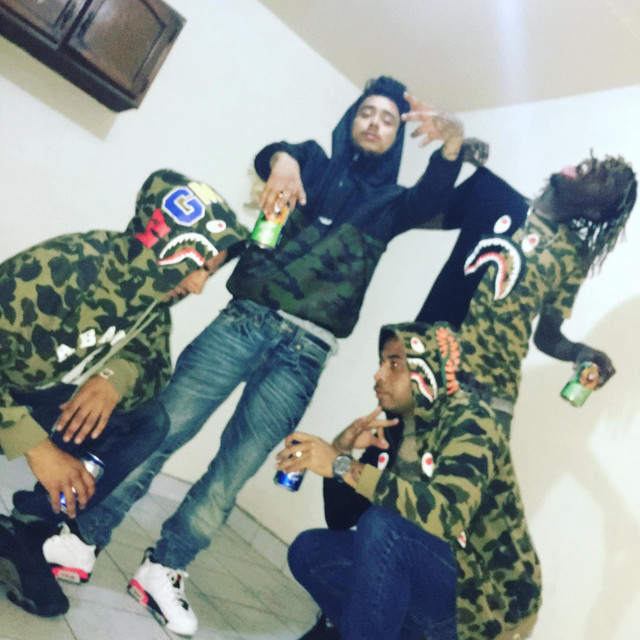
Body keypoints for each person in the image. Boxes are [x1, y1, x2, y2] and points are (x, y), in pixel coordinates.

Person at [40, 76, 477, 636]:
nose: (375, 123)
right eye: (367, 112)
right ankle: (84, 537)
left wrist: (452, 136)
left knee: (234, 469)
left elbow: (435, 193)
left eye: (388, 119)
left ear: (397, 137)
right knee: (161, 429)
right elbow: (276, 151)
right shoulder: (312, 163)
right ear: (351, 119)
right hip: (244, 321)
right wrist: (283, 162)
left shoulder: (392, 206)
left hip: (307, 352)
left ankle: (165, 567)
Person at [1, 168, 248, 615]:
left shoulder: (151, 301)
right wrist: (37, 448)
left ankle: (29, 526)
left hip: (30, 397)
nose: (198, 287)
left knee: (149, 422)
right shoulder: (63, 269)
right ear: (168, 244)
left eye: (208, 274)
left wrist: (115, 379)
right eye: (198, 268)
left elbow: (155, 366)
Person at [279, 323, 542, 640]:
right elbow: (341, 519)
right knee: (310, 551)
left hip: (488, 601)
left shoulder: (471, 418)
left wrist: (341, 465)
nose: (378, 375)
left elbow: (446, 514)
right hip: (431, 579)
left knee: (384, 527)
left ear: (428, 369)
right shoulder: (395, 430)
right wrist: (343, 450)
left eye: (394, 364)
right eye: (381, 362)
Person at [453, 153, 637, 436]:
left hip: (492, 396)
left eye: (604, 178)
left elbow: (547, 337)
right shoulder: (504, 206)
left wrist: (580, 352)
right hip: (437, 369)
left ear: (595, 211)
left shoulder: (573, 256)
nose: (592, 167)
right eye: (597, 163)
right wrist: (454, 156)